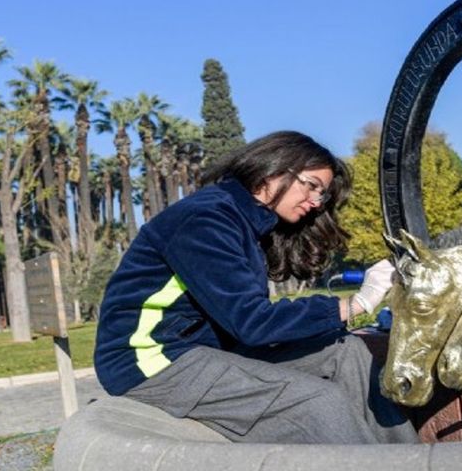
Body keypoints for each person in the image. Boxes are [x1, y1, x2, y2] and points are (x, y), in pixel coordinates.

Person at [94, 131, 419, 445]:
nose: (317, 202)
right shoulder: (205, 219)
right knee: (317, 401)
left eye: (322, 195)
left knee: (347, 352)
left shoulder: (246, 223)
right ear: (274, 169)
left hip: (204, 349)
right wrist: (358, 303)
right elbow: (252, 321)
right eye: (312, 186)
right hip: (150, 358)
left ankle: (413, 462)